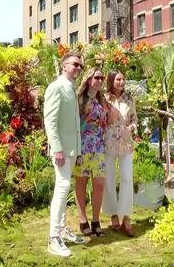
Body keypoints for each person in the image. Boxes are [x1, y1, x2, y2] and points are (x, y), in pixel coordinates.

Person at [43, 51, 85, 258]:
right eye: (75, 64)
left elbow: (73, 123)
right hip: (61, 149)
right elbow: (50, 121)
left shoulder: (70, 88)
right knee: (62, 188)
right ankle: (53, 238)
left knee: (65, 187)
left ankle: (61, 230)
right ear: (64, 66)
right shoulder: (56, 87)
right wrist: (57, 148)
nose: (78, 68)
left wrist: (76, 150)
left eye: (81, 66)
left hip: (70, 149)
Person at [73, 67, 107, 237]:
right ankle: (82, 219)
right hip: (83, 148)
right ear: (88, 80)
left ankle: (96, 220)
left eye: (102, 78)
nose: (100, 80)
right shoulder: (79, 99)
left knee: (99, 185)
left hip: (99, 148)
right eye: (97, 77)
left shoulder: (102, 100)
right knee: (81, 183)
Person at [103, 70, 137, 237]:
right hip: (108, 143)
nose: (122, 82)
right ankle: (113, 213)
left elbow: (134, 120)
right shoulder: (104, 99)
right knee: (109, 178)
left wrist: (130, 129)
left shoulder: (129, 99)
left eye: (123, 79)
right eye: (118, 79)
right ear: (111, 81)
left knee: (126, 178)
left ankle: (126, 216)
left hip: (125, 143)